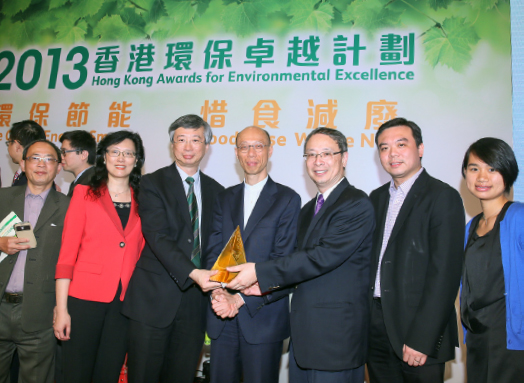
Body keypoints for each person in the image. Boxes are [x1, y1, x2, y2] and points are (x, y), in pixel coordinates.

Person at [227, 127, 375, 383]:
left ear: (344, 158)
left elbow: (322, 257)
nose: (318, 161)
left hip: (335, 341)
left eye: (327, 153)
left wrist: (259, 272)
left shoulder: (356, 203)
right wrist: (262, 287)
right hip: (303, 342)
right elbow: (296, 268)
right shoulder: (308, 210)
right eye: (311, 154)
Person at [122, 114, 224, 383]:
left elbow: (215, 243)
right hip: (153, 301)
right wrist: (194, 273)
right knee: (143, 376)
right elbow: (157, 236)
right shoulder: (152, 183)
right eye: (181, 139)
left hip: (195, 303)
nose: (188, 146)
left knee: (181, 375)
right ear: (172, 145)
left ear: (206, 145)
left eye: (195, 140)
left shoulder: (218, 191)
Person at [367, 117, 464, 383]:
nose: (392, 153)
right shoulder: (375, 198)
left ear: (420, 149)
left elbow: (445, 274)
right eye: (384, 148)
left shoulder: (443, 197)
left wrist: (423, 338)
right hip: (375, 327)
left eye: (401, 144)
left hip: (417, 331)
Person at [206, 126, 301, 383]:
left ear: (270, 151)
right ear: (236, 153)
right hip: (221, 316)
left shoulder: (288, 199)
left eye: (258, 146)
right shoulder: (224, 198)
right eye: (245, 146)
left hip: (262, 317)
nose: (251, 152)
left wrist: (239, 300)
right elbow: (213, 251)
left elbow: (284, 261)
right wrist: (218, 292)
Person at [53, 130, 146, 383]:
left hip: (123, 304)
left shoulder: (145, 200)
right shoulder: (84, 194)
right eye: (114, 151)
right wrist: (61, 309)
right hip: (83, 299)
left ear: (137, 160)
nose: (121, 158)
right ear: (103, 156)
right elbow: (66, 256)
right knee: (76, 373)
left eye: (128, 153)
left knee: (108, 372)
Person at [0, 139, 69, 383]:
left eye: (49, 159)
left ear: (59, 167)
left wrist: (62, 307)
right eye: (35, 158)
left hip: (40, 312)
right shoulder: (3, 197)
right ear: (22, 162)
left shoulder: (69, 207)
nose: (41, 164)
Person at [460, 137, 524, 382]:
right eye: (474, 169)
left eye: (492, 168)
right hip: (477, 337)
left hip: (510, 339)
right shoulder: (471, 226)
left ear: (507, 172)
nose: (482, 177)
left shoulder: (519, 216)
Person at [6, 120, 46, 186]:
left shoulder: (30, 178)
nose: (8, 147)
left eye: (9, 143)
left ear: (17, 146)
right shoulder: (41, 173)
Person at [59, 130, 96, 197]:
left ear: (83, 155)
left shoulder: (92, 183)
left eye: (64, 152)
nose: (61, 157)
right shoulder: (80, 181)